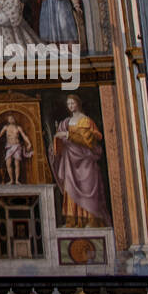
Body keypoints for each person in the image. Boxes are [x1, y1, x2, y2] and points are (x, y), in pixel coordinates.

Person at [49, 95, 110, 226]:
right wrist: (56, 141)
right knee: (70, 190)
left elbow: (88, 140)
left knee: (88, 189)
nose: (71, 105)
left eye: (73, 103)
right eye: (68, 103)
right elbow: (57, 142)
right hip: (69, 162)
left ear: (78, 103)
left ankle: (91, 220)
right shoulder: (65, 122)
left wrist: (67, 135)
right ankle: (74, 220)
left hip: (85, 162)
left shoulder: (86, 121)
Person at [0, 113, 33, 184]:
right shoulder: (6, 127)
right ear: (8, 120)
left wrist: (29, 143)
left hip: (17, 146)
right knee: (8, 163)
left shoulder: (18, 128)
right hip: (9, 146)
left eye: (12, 118)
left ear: (14, 120)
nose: (11, 119)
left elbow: (24, 136)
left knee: (17, 163)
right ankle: (11, 180)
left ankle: (17, 180)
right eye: (10, 118)